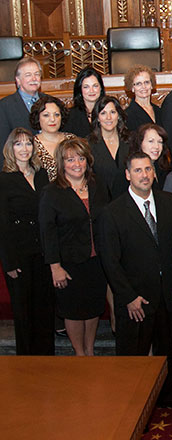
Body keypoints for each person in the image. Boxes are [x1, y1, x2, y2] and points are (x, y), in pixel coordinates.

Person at [99, 151, 172, 412]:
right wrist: (127, 297)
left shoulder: (168, 201)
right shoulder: (113, 212)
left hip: (167, 294)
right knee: (133, 357)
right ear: (128, 175)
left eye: (148, 169)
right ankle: (132, 403)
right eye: (138, 170)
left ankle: (167, 397)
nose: (144, 175)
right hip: (135, 300)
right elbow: (110, 261)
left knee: (166, 353)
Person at [39, 137, 109, 356]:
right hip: (69, 263)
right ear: (62, 163)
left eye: (80, 158)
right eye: (70, 160)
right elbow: (47, 232)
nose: (77, 164)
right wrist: (55, 266)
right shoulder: (52, 192)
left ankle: (90, 350)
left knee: (93, 308)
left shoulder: (97, 185)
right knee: (74, 310)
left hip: (96, 260)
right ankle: (79, 353)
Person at [0, 128, 53, 355]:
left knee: (44, 309)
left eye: (28, 144)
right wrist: (8, 262)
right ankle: (27, 363)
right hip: (18, 254)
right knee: (24, 312)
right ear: (10, 149)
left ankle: (46, 360)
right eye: (18, 144)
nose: (24, 149)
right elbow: (2, 223)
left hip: (42, 251)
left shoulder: (42, 175)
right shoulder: (4, 179)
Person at [87, 96, 131, 199]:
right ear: (97, 117)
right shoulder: (88, 145)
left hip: (128, 202)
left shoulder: (130, 140)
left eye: (112, 112)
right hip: (101, 203)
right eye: (103, 113)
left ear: (118, 115)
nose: (108, 118)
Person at [0, 57, 43, 159]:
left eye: (37, 74)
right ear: (18, 80)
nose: (34, 78)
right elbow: (2, 144)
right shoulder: (4, 106)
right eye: (28, 75)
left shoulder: (51, 102)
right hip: (19, 166)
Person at [29, 95, 75, 181]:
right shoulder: (31, 145)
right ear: (38, 118)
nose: (52, 119)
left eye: (56, 115)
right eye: (46, 115)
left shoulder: (72, 139)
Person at [62, 67, 106, 138]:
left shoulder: (109, 112)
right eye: (86, 87)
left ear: (101, 88)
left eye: (95, 86)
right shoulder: (70, 116)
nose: (91, 91)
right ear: (80, 90)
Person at [129, 123, 172, 190]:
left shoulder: (162, 168)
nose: (156, 146)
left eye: (160, 142)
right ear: (140, 143)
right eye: (151, 141)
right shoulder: (131, 169)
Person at [123, 65, 162, 131]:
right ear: (132, 88)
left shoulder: (158, 110)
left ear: (151, 85)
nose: (143, 87)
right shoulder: (127, 115)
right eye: (138, 84)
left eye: (146, 82)